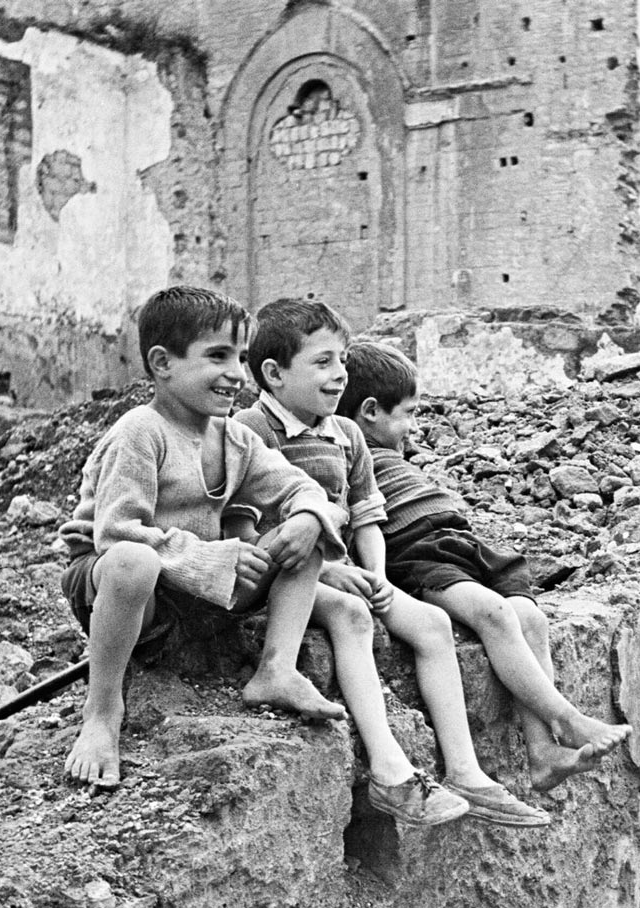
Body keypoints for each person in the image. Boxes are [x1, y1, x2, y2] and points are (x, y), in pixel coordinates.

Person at [234, 297, 549, 827]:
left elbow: (367, 515)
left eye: (343, 362)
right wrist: (330, 568)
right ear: (274, 373)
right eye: (324, 363)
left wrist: (376, 573)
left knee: (432, 623)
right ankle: (390, 772)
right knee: (353, 618)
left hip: (343, 565)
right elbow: (247, 527)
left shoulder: (346, 433)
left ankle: (466, 771)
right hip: (284, 572)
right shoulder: (250, 430)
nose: (340, 376)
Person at [58, 285, 350, 790]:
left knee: (306, 532)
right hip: (124, 590)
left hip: (197, 590)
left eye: (241, 357)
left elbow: (300, 487)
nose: (236, 373)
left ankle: (275, 670)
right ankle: (102, 715)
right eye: (217, 356)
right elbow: (116, 533)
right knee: (134, 560)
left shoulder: (235, 437)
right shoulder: (140, 432)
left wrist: (305, 517)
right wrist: (213, 558)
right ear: (162, 362)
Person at [337, 339, 632, 792]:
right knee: (492, 613)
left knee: (530, 616)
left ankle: (543, 752)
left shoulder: (389, 454)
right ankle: (566, 718)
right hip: (418, 552)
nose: (415, 427)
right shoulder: (348, 450)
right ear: (372, 411)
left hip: (459, 540)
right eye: (410, 413)